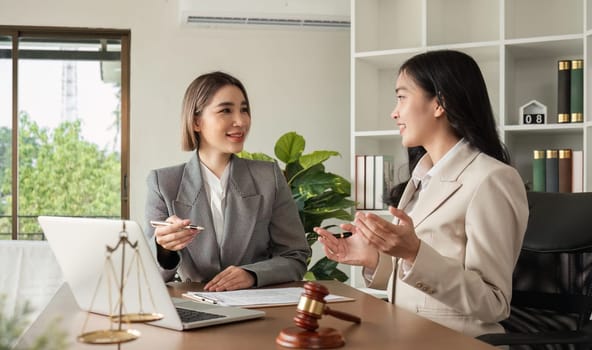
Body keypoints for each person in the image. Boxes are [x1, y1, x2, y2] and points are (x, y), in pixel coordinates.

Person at [315, 50, 529, 337]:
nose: (394, 112)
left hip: (454, 341)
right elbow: (421, 284)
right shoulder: (422, 177)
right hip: (405, 332)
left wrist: (414, 253)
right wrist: (374, 259)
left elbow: (493, 303)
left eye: (402, 97)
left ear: (440, 103)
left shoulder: (492, 179)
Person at [144, 71, 311, 292]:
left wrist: (252, 275)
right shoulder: (163, 183)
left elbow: (295, 256)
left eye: (244, 110)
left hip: (258, 310)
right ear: (196, 122)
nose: (241, 121)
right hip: (194, 309)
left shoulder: (269, 177)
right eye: (225, 110)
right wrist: (164, 248)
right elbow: (148, 273)